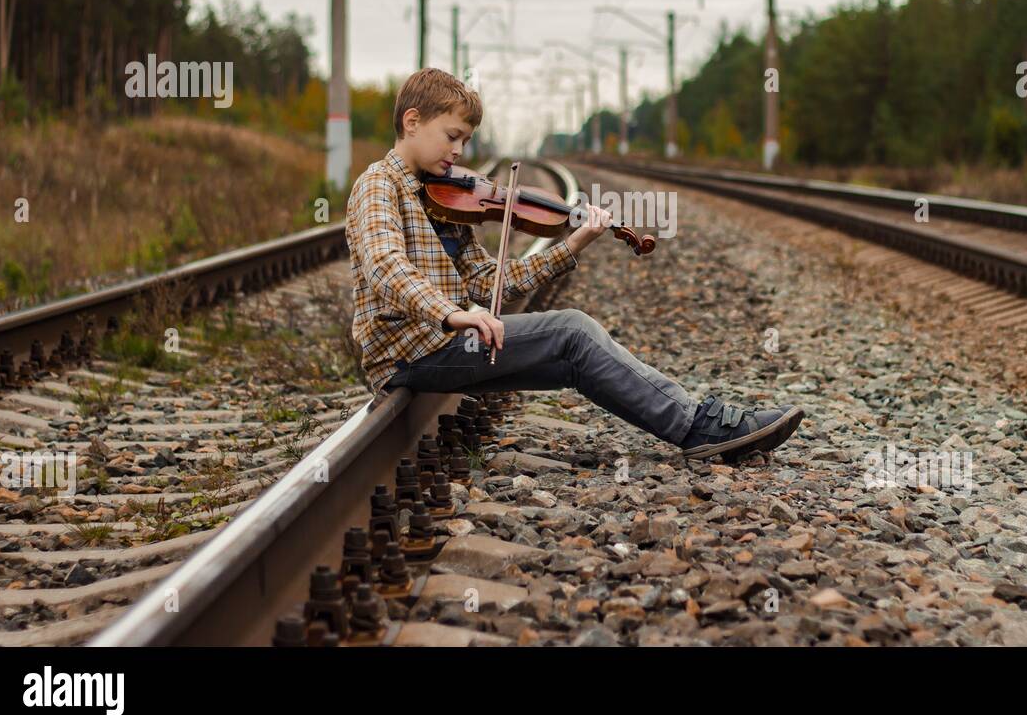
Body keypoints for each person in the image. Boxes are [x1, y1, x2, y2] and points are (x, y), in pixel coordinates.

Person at [343, 68, 804, 462]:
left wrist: (572, 246)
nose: (460, 151)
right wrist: (453, 314)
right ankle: (699, 425)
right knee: (572, 330)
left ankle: (697, 428)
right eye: (452, 136)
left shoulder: (440, 193)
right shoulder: (378, 186)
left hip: (440, 343)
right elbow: (386, 265)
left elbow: (486, 282)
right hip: (411, 353)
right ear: (412, 121)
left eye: (465, 140)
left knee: (573, 353)